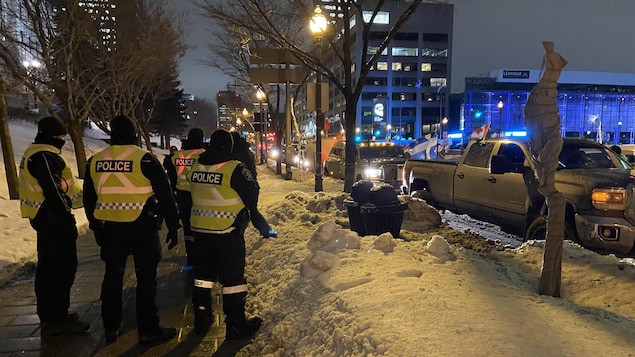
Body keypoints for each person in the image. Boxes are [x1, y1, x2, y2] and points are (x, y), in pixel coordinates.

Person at [83, 115, 181, 345]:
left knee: (112, 276)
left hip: (110, 228)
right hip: (142, 227)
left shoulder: (95, 161)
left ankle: (110, 326)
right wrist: (174, 226)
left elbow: (89, 197)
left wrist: (95, 224)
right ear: (134, 134)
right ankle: (148, 328)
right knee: (146, 279)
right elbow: (165, 195)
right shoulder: (144, 160)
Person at [185, 129, 275, 339]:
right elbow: (252, 197)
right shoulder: (234, 169)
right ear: (229, 147)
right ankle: (235, 324)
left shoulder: (196, 165)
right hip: (227, 234)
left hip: (200, 233)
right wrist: (262, 226)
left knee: (202, 278)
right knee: (233, 281)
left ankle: (201, 318)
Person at [18, 116, 90, 336]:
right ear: (50, 136)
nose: (62, 140)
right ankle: (58, 318)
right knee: (62, 268)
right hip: (53, 219)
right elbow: (52, 189)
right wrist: (66, 207)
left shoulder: (36, 153)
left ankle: (52, 315)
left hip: (45, 218)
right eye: (60, 136)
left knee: (49, 268)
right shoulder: (44, 156)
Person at [163, 128, 206, 269]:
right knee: (199, 226)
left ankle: (190, 257)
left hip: (182, 195)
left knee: (187, 227)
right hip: (198, 194)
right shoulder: (203, 154)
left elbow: (170, 168)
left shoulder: (178, 155)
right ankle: (201, 255)